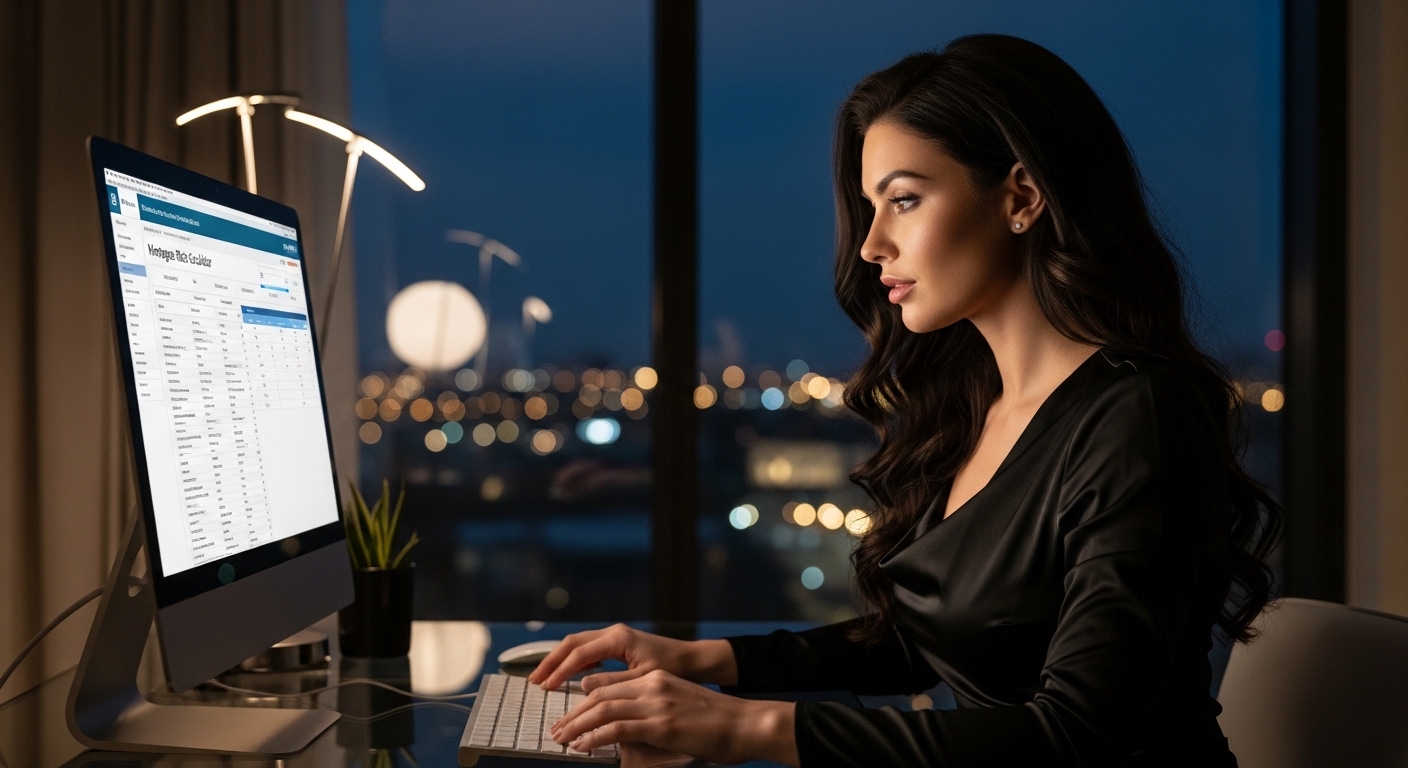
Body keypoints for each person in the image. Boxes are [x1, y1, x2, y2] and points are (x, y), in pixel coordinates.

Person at [530, 34, 1281, 767]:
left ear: (1021, 195)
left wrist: (744, 729)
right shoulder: (976, 404)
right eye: (871, 206)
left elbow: (1075, 737)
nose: (871, 245)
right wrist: (705, 660)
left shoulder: (1138, 416)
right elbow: (924, 639)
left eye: (906, 200)